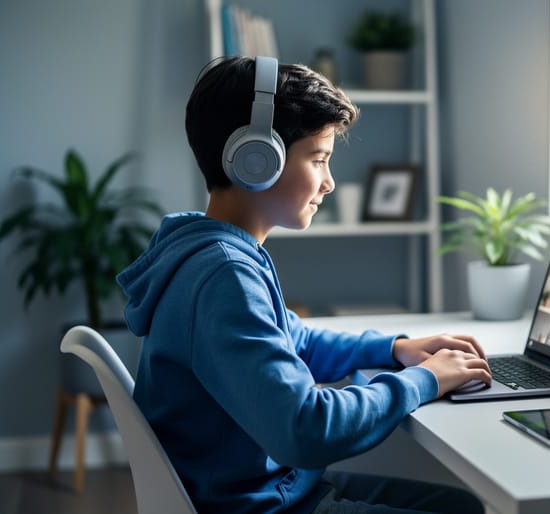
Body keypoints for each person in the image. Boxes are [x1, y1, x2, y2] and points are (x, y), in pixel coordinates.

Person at [117, 56, 490, 514]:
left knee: (465, 506)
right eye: (319, 159)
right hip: (261, 506)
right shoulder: (223, 275)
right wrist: (425, 380)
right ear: (257, 160)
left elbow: (296, 339)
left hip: (270, 489)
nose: (330, 182)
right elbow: (305, 430)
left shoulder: (213, 252)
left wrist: (393, 349)